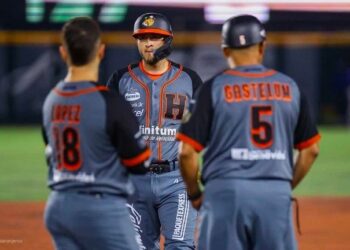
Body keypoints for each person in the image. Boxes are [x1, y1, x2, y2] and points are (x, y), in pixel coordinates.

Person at [177, 15, 321, 250]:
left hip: (226, 192)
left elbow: (186, 153)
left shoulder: (212, 89)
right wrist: (284, 187)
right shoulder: (290, 88)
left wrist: (195, 195)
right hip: (274, 191)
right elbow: (311, 150)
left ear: (225, 50)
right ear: (263, 47)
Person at [42, 17, 151, 250]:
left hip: (58, 206)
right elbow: (140, 162)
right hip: (100, 209)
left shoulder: (51, 101)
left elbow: (50, 153)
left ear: (63, 53)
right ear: (101, 51)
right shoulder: (110, 103)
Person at [107, 12, 202, 250]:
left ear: (167, 40)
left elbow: (202, 132)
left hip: (177, 180)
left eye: (155, 37)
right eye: (142, 37)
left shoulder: (190, 80)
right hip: (133, 181)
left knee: (180, 246)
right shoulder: (120, 79)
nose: (148, 43)